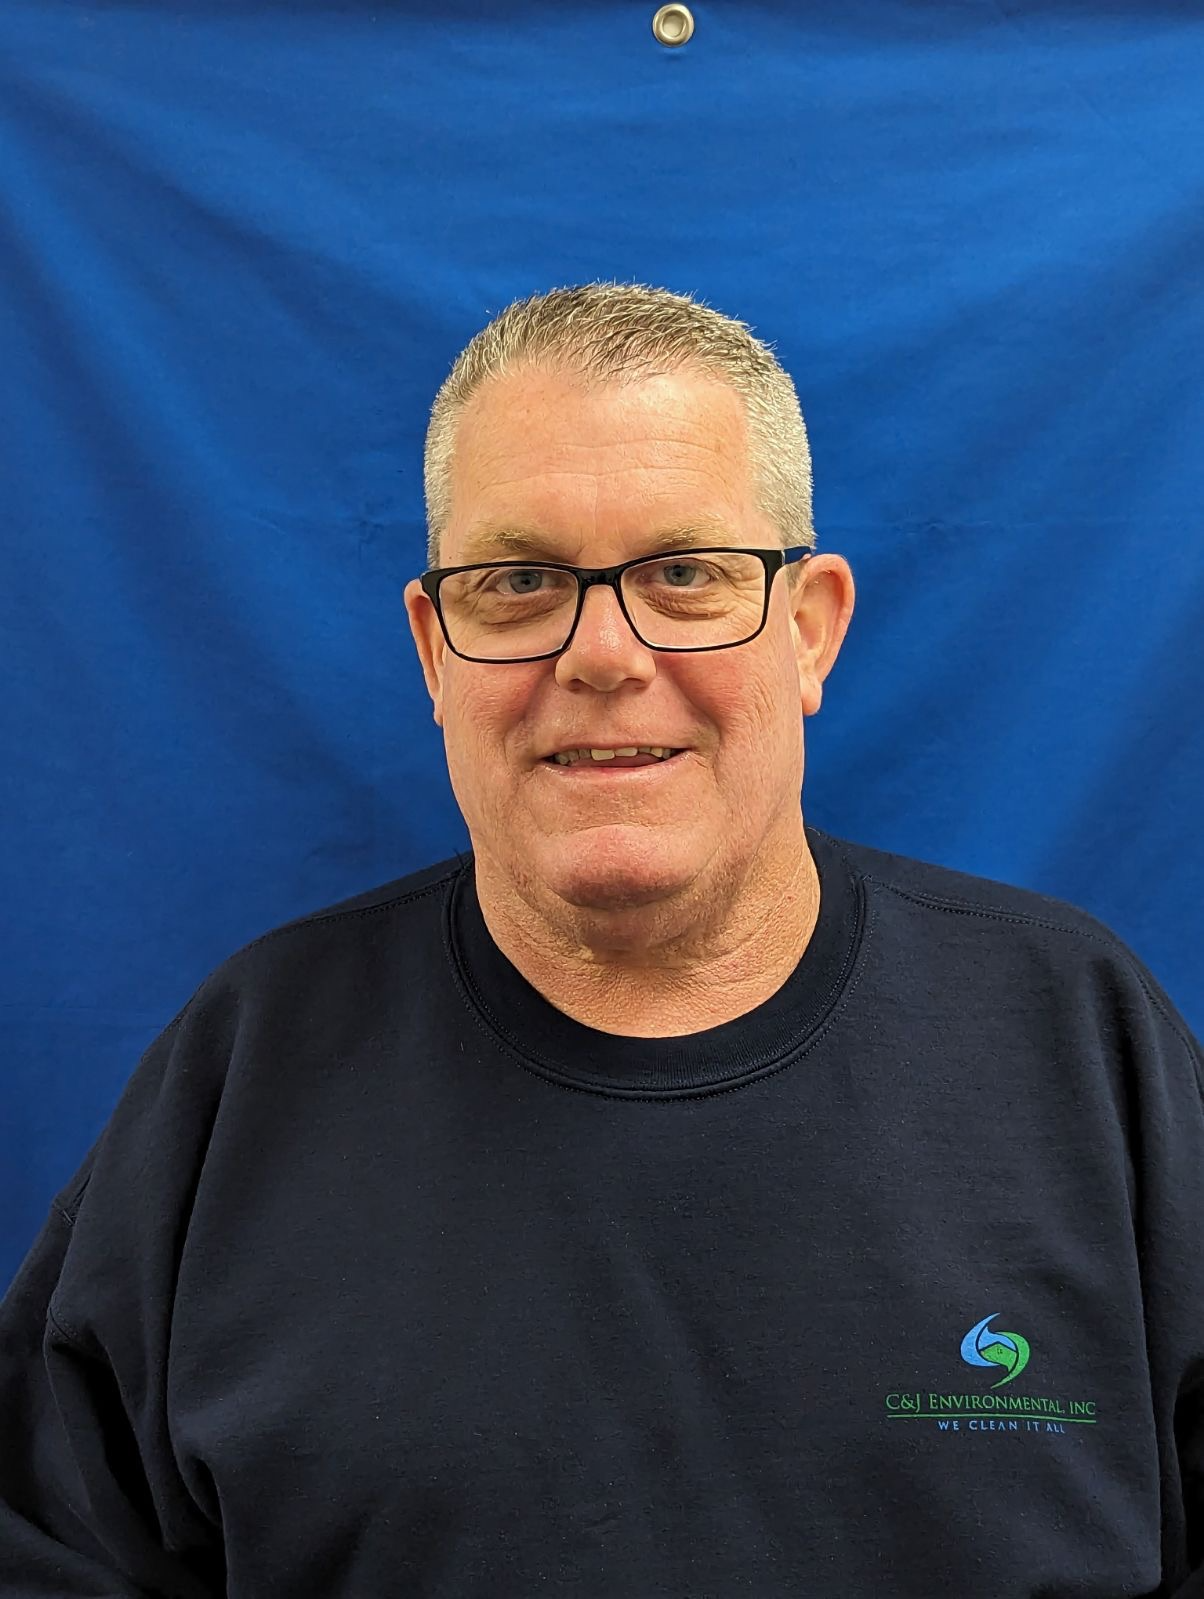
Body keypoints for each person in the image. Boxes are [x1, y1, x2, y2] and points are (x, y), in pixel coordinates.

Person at [1, 281, 1201, 1599]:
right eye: (518, 582)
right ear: (434, 649)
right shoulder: (241, 1078)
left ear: (812, 628)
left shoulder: (1080, 1040)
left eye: (684, 573)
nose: (603, 653)